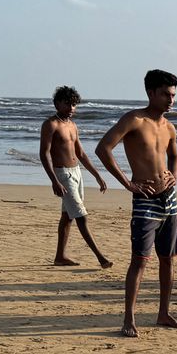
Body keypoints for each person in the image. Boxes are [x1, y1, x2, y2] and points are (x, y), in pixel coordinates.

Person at [96, 69, 177, 337]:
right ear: (151, 93)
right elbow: (103, 148)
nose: (171, 100)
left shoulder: (169, 127)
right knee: (140, 260)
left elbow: (175, 156)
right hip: (145, 200)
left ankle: (164, 313)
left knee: (168, 259)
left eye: (173, 95)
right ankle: (129, 318)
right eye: (166, 94)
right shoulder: (134, 119)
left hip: (169, 200)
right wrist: (127, 183)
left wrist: (174, 176)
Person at [40, 86, 112, 269]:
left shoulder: (72, 125)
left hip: (76, 172)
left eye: (74, 105)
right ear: (57, 104)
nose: (71, 108)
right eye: (67, 104)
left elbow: (81, 153)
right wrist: (54, 181)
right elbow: (44, 154)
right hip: (62, 174)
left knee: (68, 216)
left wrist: (97, 175)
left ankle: (60, 257)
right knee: (81, 215)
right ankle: (101, 257)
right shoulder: (51, 124)